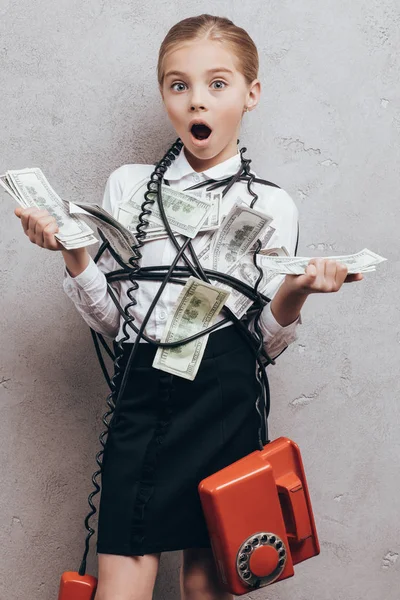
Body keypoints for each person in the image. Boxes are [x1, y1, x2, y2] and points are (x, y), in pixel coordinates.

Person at [14, 14, 363, 600]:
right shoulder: (128, 186)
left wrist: (297, 292)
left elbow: (264, 345)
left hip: (225, 398)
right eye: (179, 85)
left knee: (209, 584)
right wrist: (75, 258)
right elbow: (114, 324)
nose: (197, 100)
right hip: (142, 394)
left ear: (251, 94)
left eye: (217, 84)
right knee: (122, 577)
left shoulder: (274, 206)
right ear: (164, 96)